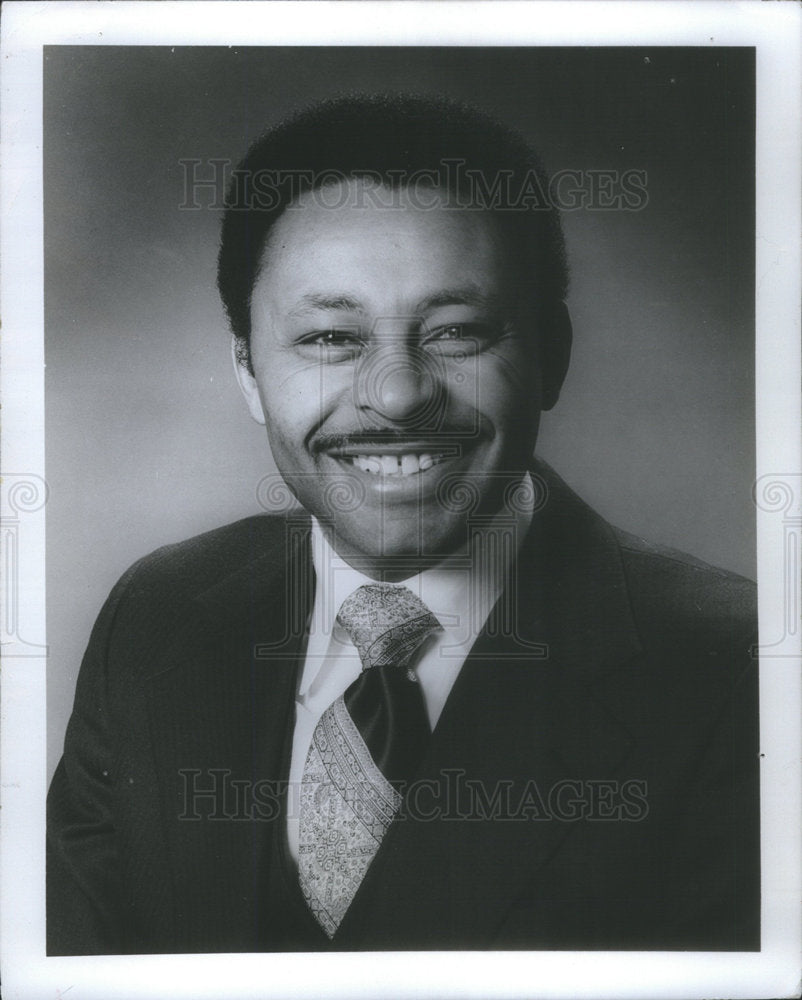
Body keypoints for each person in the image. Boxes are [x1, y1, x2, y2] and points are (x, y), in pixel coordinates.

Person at [47, 94, 759, 955]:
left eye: (456, 330)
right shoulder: (157, 616)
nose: (396, 394)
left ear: (551, 355)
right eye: (328, 338)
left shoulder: (737, 671)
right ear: (245, 370)